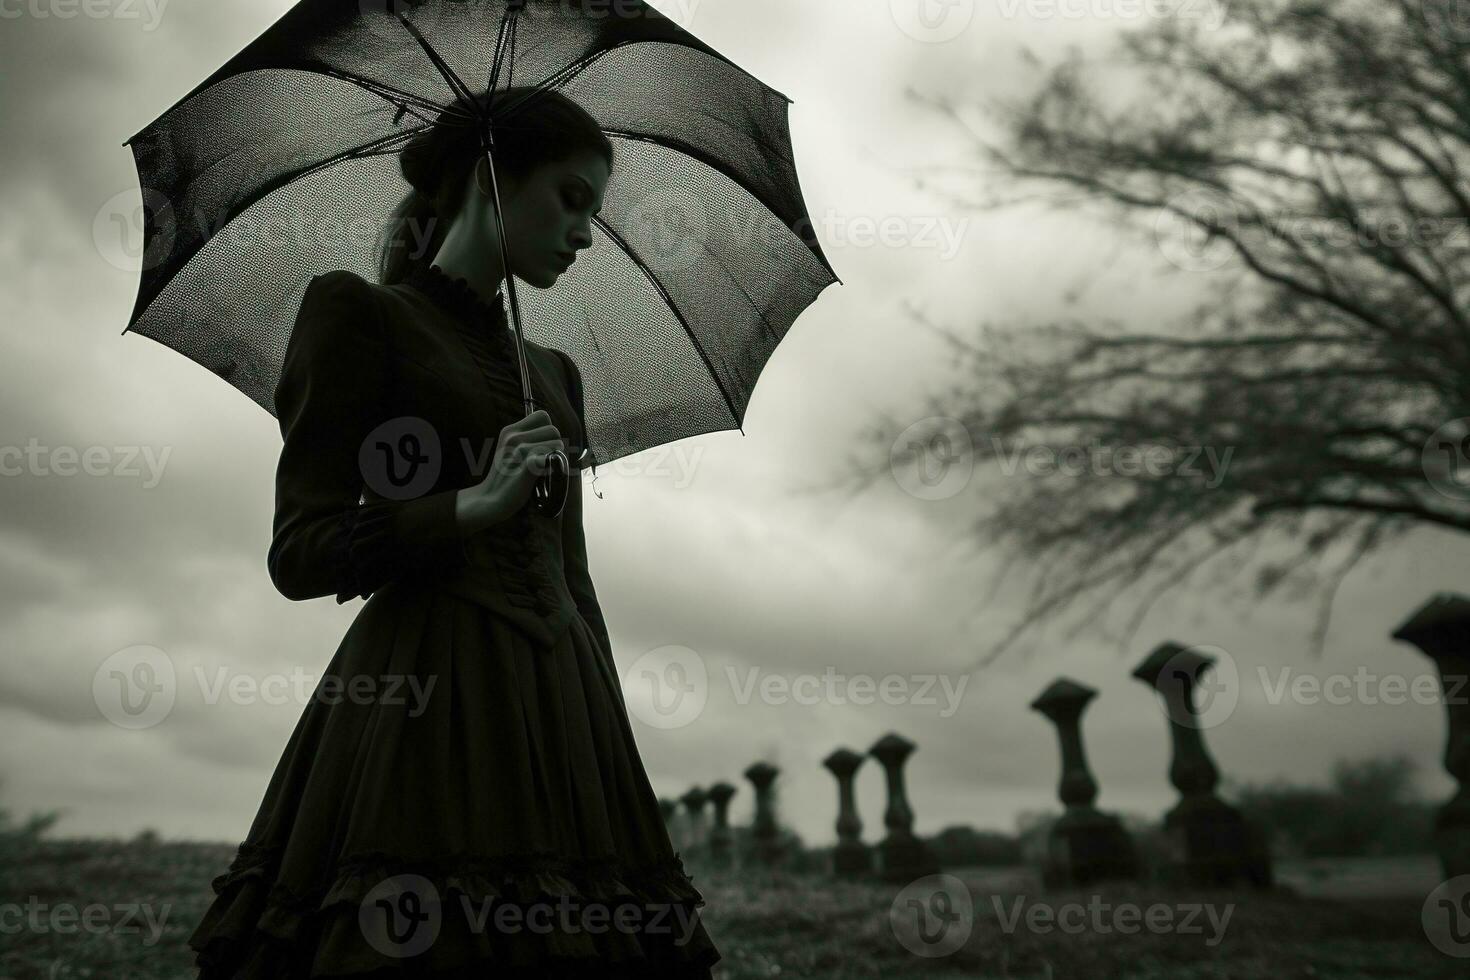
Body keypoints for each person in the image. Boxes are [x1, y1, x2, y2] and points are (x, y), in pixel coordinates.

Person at [186, 86, 721, 979]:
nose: (585, 232)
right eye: (571, 198)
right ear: (490, 178)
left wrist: (606, 741)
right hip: (422, 707)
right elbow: (300, 551)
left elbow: (573, 575)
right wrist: (468, 505)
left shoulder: (556, 375)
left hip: (567, 711)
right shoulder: (361, 316)